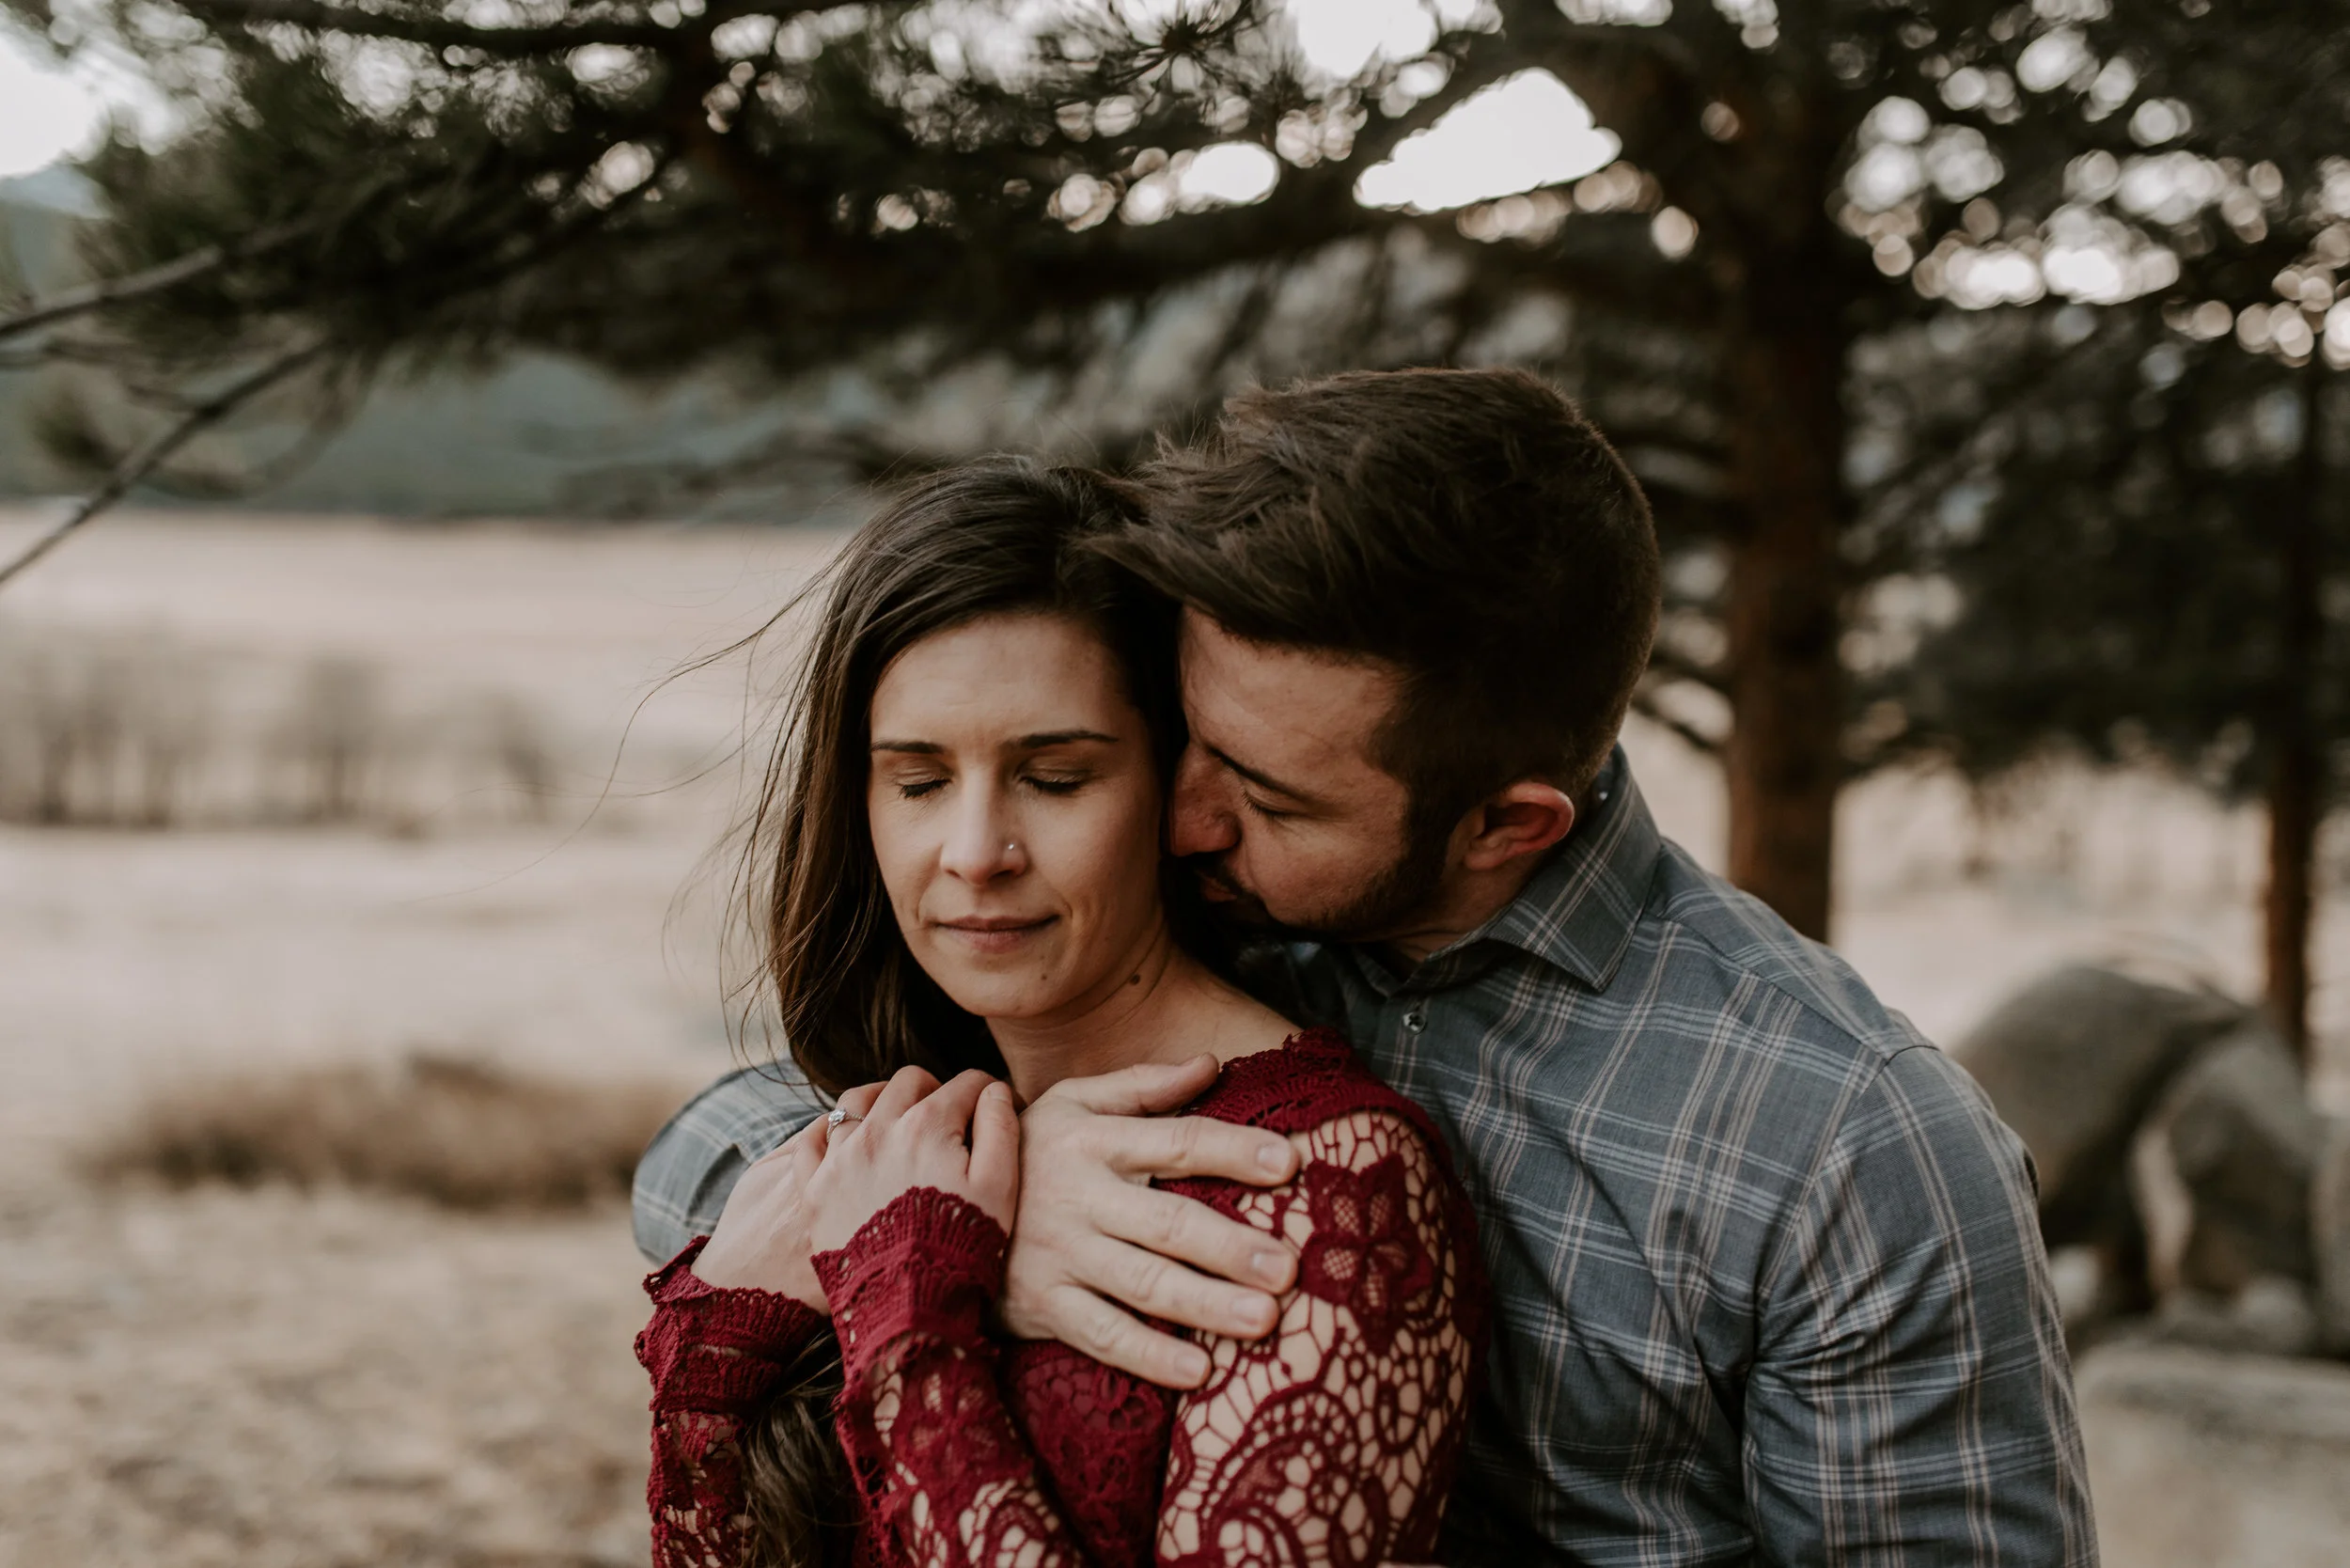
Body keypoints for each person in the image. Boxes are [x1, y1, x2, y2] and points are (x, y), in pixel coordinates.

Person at [637, 368, 2099, 1564]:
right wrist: (990, 1202)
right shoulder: (1224, 913)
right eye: (1189, 741)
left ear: (1504, 826)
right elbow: (703, 1145)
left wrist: (911, 1267)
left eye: (1265, 795)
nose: (1190, 816)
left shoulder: (1851, 1146)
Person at [633, 459, 1489, 1568]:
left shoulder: (1325, 1183)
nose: (978, 854)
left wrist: (904, 1303)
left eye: (1057, 776)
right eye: (919, 779)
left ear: (1176, 790)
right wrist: (742, 1310)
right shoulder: (886, 1147)